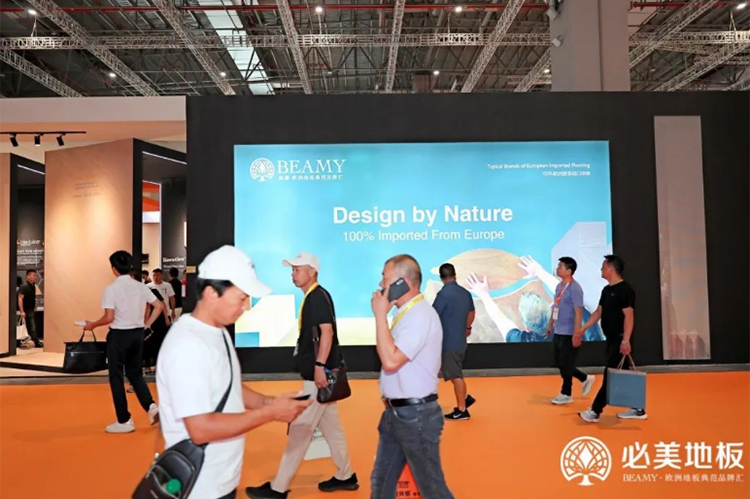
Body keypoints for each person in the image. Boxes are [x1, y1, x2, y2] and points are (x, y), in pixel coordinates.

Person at [157, 245, 311, 499]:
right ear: (211, 293)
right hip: (199, 487)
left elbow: (227, 385)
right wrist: (269, 413)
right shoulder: (187, 345)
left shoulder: (216, 331)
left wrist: (268, 402)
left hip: (219, 479)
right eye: (241, 297)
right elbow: (200, 428)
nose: (247, 306)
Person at [246, 252, 357, 499]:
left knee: (300, 429)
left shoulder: (316, 297)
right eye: (292, 270)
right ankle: (346, 475)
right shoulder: (315, 296)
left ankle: (278, 488)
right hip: (320, 377)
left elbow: (326, 333)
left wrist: (318, 365)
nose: (293, 274)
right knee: (332, 429)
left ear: (312, 272)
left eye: (297, 269)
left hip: (317, 379)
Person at [370, 255, 454, 499]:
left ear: (403, 282)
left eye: (385, 278)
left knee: (433, 489)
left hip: (415, 417)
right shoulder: (408, 313)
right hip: (397, 414)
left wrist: (379, 316)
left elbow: (390, 361)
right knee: (381, 482)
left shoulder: (420, 315)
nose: (381, 284)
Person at [83, 251, 164, 433]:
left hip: (119, 336)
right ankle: (151, 406)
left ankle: (124, 420)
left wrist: (92, 325)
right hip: (137, 335)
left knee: (116, 377)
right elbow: (159, 306)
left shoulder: (111, 289)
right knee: (135, 374)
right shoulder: (141, 287)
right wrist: (146, 325)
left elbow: (109, 317)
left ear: (113, 269)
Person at [579, 255, 646, 423]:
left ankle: (595, 411)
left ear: (611, 269)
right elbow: (598, 312)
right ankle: (638, 409)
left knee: (610, 376)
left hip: (620, 340)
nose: (601, 269)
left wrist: (626, 340)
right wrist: (583, 328)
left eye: (603, 266)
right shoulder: (606, 290)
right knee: (624, 374)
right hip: (611, 340)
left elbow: (629, 316)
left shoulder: (625, 290)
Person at [546, 257, 595, 405]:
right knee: (560, 363)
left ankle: (566, 393)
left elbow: (578, 311)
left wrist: (576, 333)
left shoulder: (575, 288)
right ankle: (585, 378)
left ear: (569, 271)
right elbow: (556, 307)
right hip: (559, 331)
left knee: (566, 364)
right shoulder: (559, 286)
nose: (557, 268)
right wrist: (550, 323)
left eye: (560, 266)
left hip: (569, 332)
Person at [432, 263, 476, 421]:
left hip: (448, 343)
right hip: (459, 340)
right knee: (454, 372)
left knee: (455, 375)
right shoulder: (465, 293)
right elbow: (471, 312)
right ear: (455, 275)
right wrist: (467, 327)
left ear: (441, 278)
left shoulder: (443, 295)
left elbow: (433, 316)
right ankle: (464, 398)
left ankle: (462, 410)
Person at [18, 270, 43, 348]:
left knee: (28, 325)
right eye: (33, 275)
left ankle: (19, 341)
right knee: (31, 326)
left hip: (30, 308)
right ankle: (36, 342)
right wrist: (22, 311)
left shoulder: (33, 286)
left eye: (35, 275)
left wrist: (35, 306)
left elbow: (33, 297)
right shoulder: (24, 286)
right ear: (28, 276)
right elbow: (20, 299)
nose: (35, 277)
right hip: (26, 309)